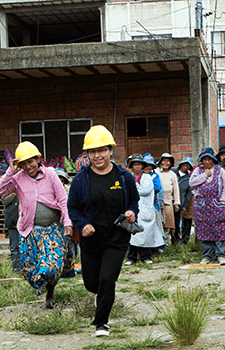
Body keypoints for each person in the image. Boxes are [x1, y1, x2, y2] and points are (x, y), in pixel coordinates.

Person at [67, 125, 140, 337]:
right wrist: (82, 224)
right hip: (91, 240)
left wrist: (131, 212)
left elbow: (134, 202)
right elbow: (73, 208)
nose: (97, 155)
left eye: (101, 150)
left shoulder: (124, 177)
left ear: (110, 150)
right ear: (87, 154)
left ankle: (102, 323)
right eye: (92, 151)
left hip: (117, 239)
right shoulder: (81, 180)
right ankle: (104, 298)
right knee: (92, 283)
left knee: (107, 279)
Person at [0, 141, 75, 309]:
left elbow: (63, 200)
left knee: (51, 265)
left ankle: (50, 292)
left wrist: (67, 222)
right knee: (29, 270)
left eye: (30, 161)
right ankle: (43, 287)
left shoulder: (51, 174)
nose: (28, 166)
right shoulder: (17, 179)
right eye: (23, 163)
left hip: (52, 229)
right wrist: (11, 169)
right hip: (30, 231)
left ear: (38, 159)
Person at [190, 147, 225, 266]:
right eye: (204, 159)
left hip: (217, 205)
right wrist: (205, 175)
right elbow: (192, 184)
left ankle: (220, 256)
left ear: (213, 160)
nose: (207, 162)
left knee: (220, 230)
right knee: (204, 231)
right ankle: (206, 256)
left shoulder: (220, 170)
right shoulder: (198, 171)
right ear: (201, 161)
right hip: (202, 207)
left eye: (209, 159)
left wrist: (223, 202)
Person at [126, 154, 164, 265]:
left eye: (139, 164)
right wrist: (137, 187)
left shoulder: (147, 177)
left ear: (142, 166)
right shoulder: (129, 177)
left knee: (145, 233)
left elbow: (146, 190)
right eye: (135, 164)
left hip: (146, 209)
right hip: (132, 209)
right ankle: (131, 258)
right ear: (132, 166)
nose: (137, 167)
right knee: (132, 234)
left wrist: (135, 187)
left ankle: (146, 257)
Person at [156, 153, 181, 246]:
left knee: (167, 225)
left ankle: (166, 244)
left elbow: (176, 190)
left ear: (171, 163)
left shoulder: (172, 175)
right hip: (157, 202)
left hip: (168, 202)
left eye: (168, 161)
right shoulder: (156, 172)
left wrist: (177, 203)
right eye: (164, 160)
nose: (165, 163)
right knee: (158, 224)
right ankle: (158, 245)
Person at [173, 157, 194, 244]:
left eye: (188, 165)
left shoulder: (189, 178)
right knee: (175, 221)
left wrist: (185, 205)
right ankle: (175, 239)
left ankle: (185, 239)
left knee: (186, 220)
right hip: (172, 201)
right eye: (185, 164)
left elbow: (188, 193)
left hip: (182, 201)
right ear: (181, 164)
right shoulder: (173, 173)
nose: (186, 166)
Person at [1, 193, 21, 273]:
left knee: (27, 246)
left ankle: (27, 268)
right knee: (14, 247)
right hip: (13, 222)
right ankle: (16, 269)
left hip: (26, 222)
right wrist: (14, 193)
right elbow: (4, 201)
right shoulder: (8, 188)